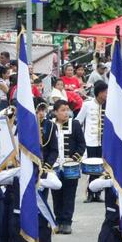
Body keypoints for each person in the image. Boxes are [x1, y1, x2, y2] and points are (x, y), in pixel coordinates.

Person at [50, 100, 86, 234]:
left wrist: (74, 159)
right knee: (56, 195)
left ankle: (67, 222)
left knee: (69, 194)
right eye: (62, 110)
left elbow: (81, 144)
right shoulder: (50, 125)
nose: (66, 113)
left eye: (67, 110)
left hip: (70, 166)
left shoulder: (75, 124)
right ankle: (58, 220)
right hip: (54, 166)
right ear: (55, 112)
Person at [75, 81, 107, 202]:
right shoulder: (87, 105)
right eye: (104, 92)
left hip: (103, 142)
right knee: (91, 168)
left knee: (100, 168)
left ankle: (98, 193)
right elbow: (78, 121)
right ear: (99, 93)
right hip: (90, 141)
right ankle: (89, 193)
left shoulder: (108, 105)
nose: (106, 94)